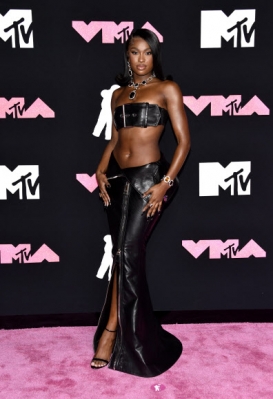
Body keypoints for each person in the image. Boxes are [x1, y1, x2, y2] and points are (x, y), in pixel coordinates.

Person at [91, 28, 190, 377]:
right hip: (116, 182)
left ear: (155, 55)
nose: (142, 59)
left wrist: (165, 183)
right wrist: (100, 170)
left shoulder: (167, 89)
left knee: (129, 254)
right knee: (121, 253)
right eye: (135, 52)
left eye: (148, 52)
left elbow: (183, 142)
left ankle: (111, 333)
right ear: (127, 56)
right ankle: (124, 332)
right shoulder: (118, 94)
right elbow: (114, 137)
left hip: (149, 181)